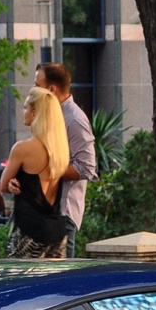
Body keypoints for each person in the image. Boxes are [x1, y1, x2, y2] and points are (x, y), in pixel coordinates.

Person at [35, 63, 97, 255]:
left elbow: (86, 168)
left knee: (59, 279)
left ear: (51, 89)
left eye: (37, 84)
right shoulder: (50, 115)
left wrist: (46, 171)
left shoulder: (74, 119)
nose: (33, 90)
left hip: (62, 213)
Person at [0, 86, 70, 259]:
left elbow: (3, 184)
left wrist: (10, 183)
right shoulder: (60, 150)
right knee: (52, 284)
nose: (23, 112)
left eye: (25, 107)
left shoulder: (23, 148)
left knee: (21, 283)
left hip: (28, 232)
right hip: (56, 231)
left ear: (35, 112)